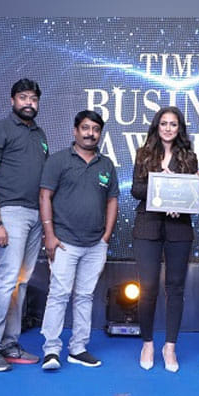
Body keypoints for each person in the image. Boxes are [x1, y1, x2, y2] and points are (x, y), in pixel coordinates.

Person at [0, 79, 49, 372]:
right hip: (10, 213)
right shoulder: (0, 128)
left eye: (33, 98)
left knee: (20, 281)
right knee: (6, 280)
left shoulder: (40, 134)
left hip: (35, 215)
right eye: (23, 97)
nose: (28, 103)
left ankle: (9, 343)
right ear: (12, 101)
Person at [39, 110, 118, 370]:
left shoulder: (106, 165)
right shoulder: (58, 160)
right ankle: (51, 350)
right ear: (75, 131)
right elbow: (45, 196)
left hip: (95, 244)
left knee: (85, 296)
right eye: (85, 128)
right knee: (59, 295)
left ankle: (78, 348)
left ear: (100, 133)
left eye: (95, 129)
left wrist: (105, 237)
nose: (90, 134)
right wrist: (49, 234)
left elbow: (112, 201)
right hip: (64, 241)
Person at [130, 107, 199, 373]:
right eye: (164, 123)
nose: (168, 128)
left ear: (179, 128)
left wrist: (180, 197)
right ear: (156, 126)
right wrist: (162, 188)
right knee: (147, 287)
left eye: (173, 124)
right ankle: (147, 343)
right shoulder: (144, 154)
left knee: (176, 288)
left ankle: (170, 346)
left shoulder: (189, 157)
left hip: (179, 227)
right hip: (148, 225)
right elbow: (136, 189)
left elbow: (192, 193)